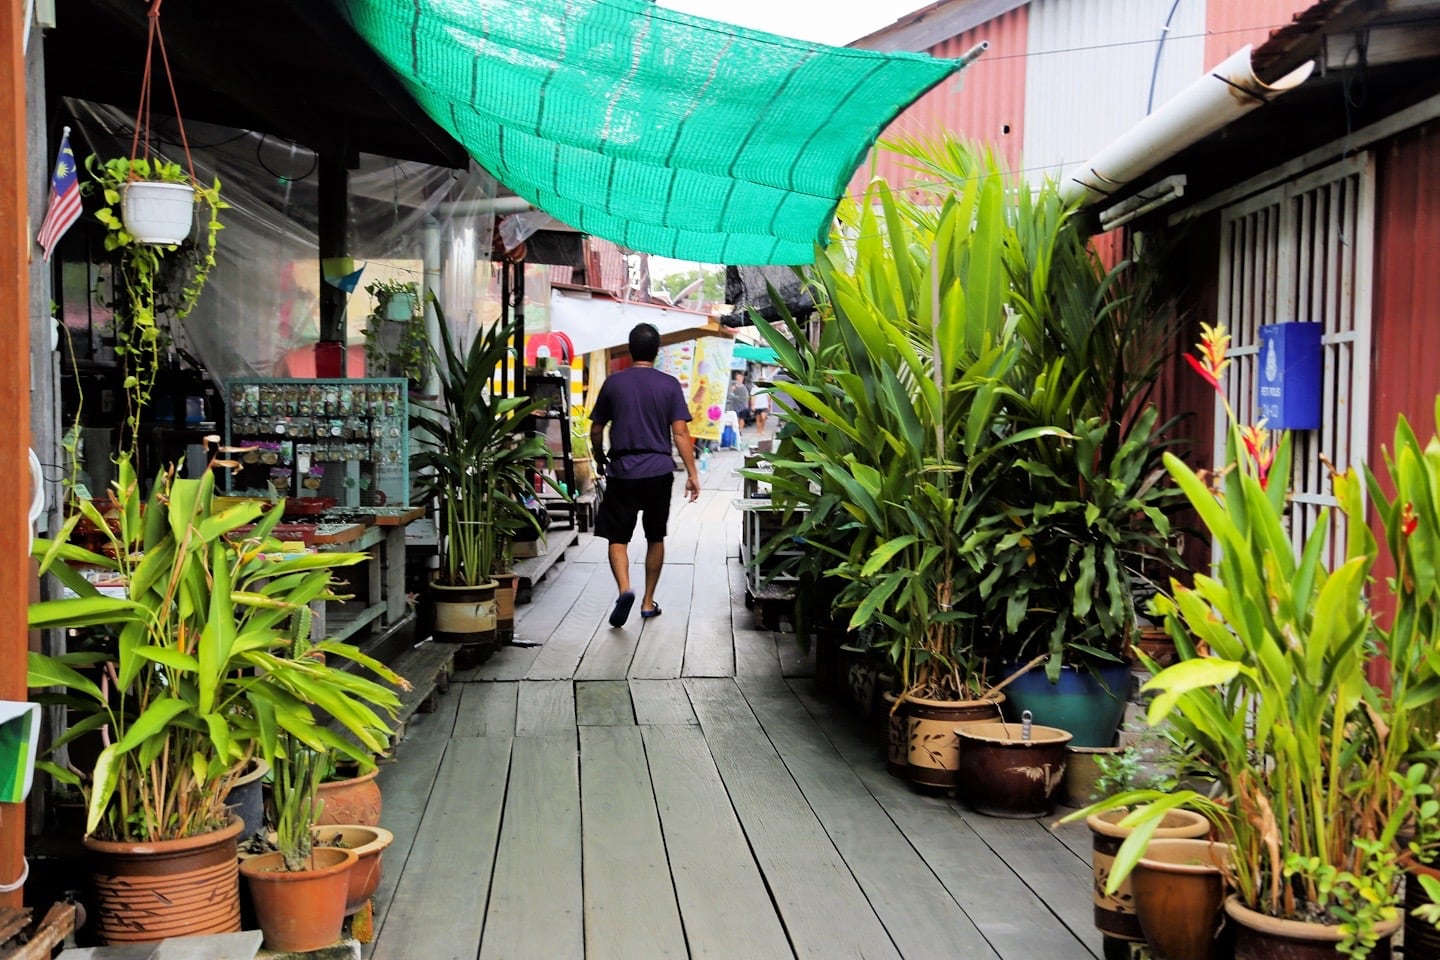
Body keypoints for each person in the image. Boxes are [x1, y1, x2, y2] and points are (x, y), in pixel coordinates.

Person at [590, 323, 701, 626]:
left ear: (630, 348)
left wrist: (600, 457)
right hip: (658, 471)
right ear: (656, 351)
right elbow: (680, 433)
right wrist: (692, 473)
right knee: (655, 536)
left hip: (622, 470)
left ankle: (625, 588)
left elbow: (597, 428)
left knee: (617, 538)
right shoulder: (668, 385)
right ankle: (648, 601)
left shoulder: (614, 383)